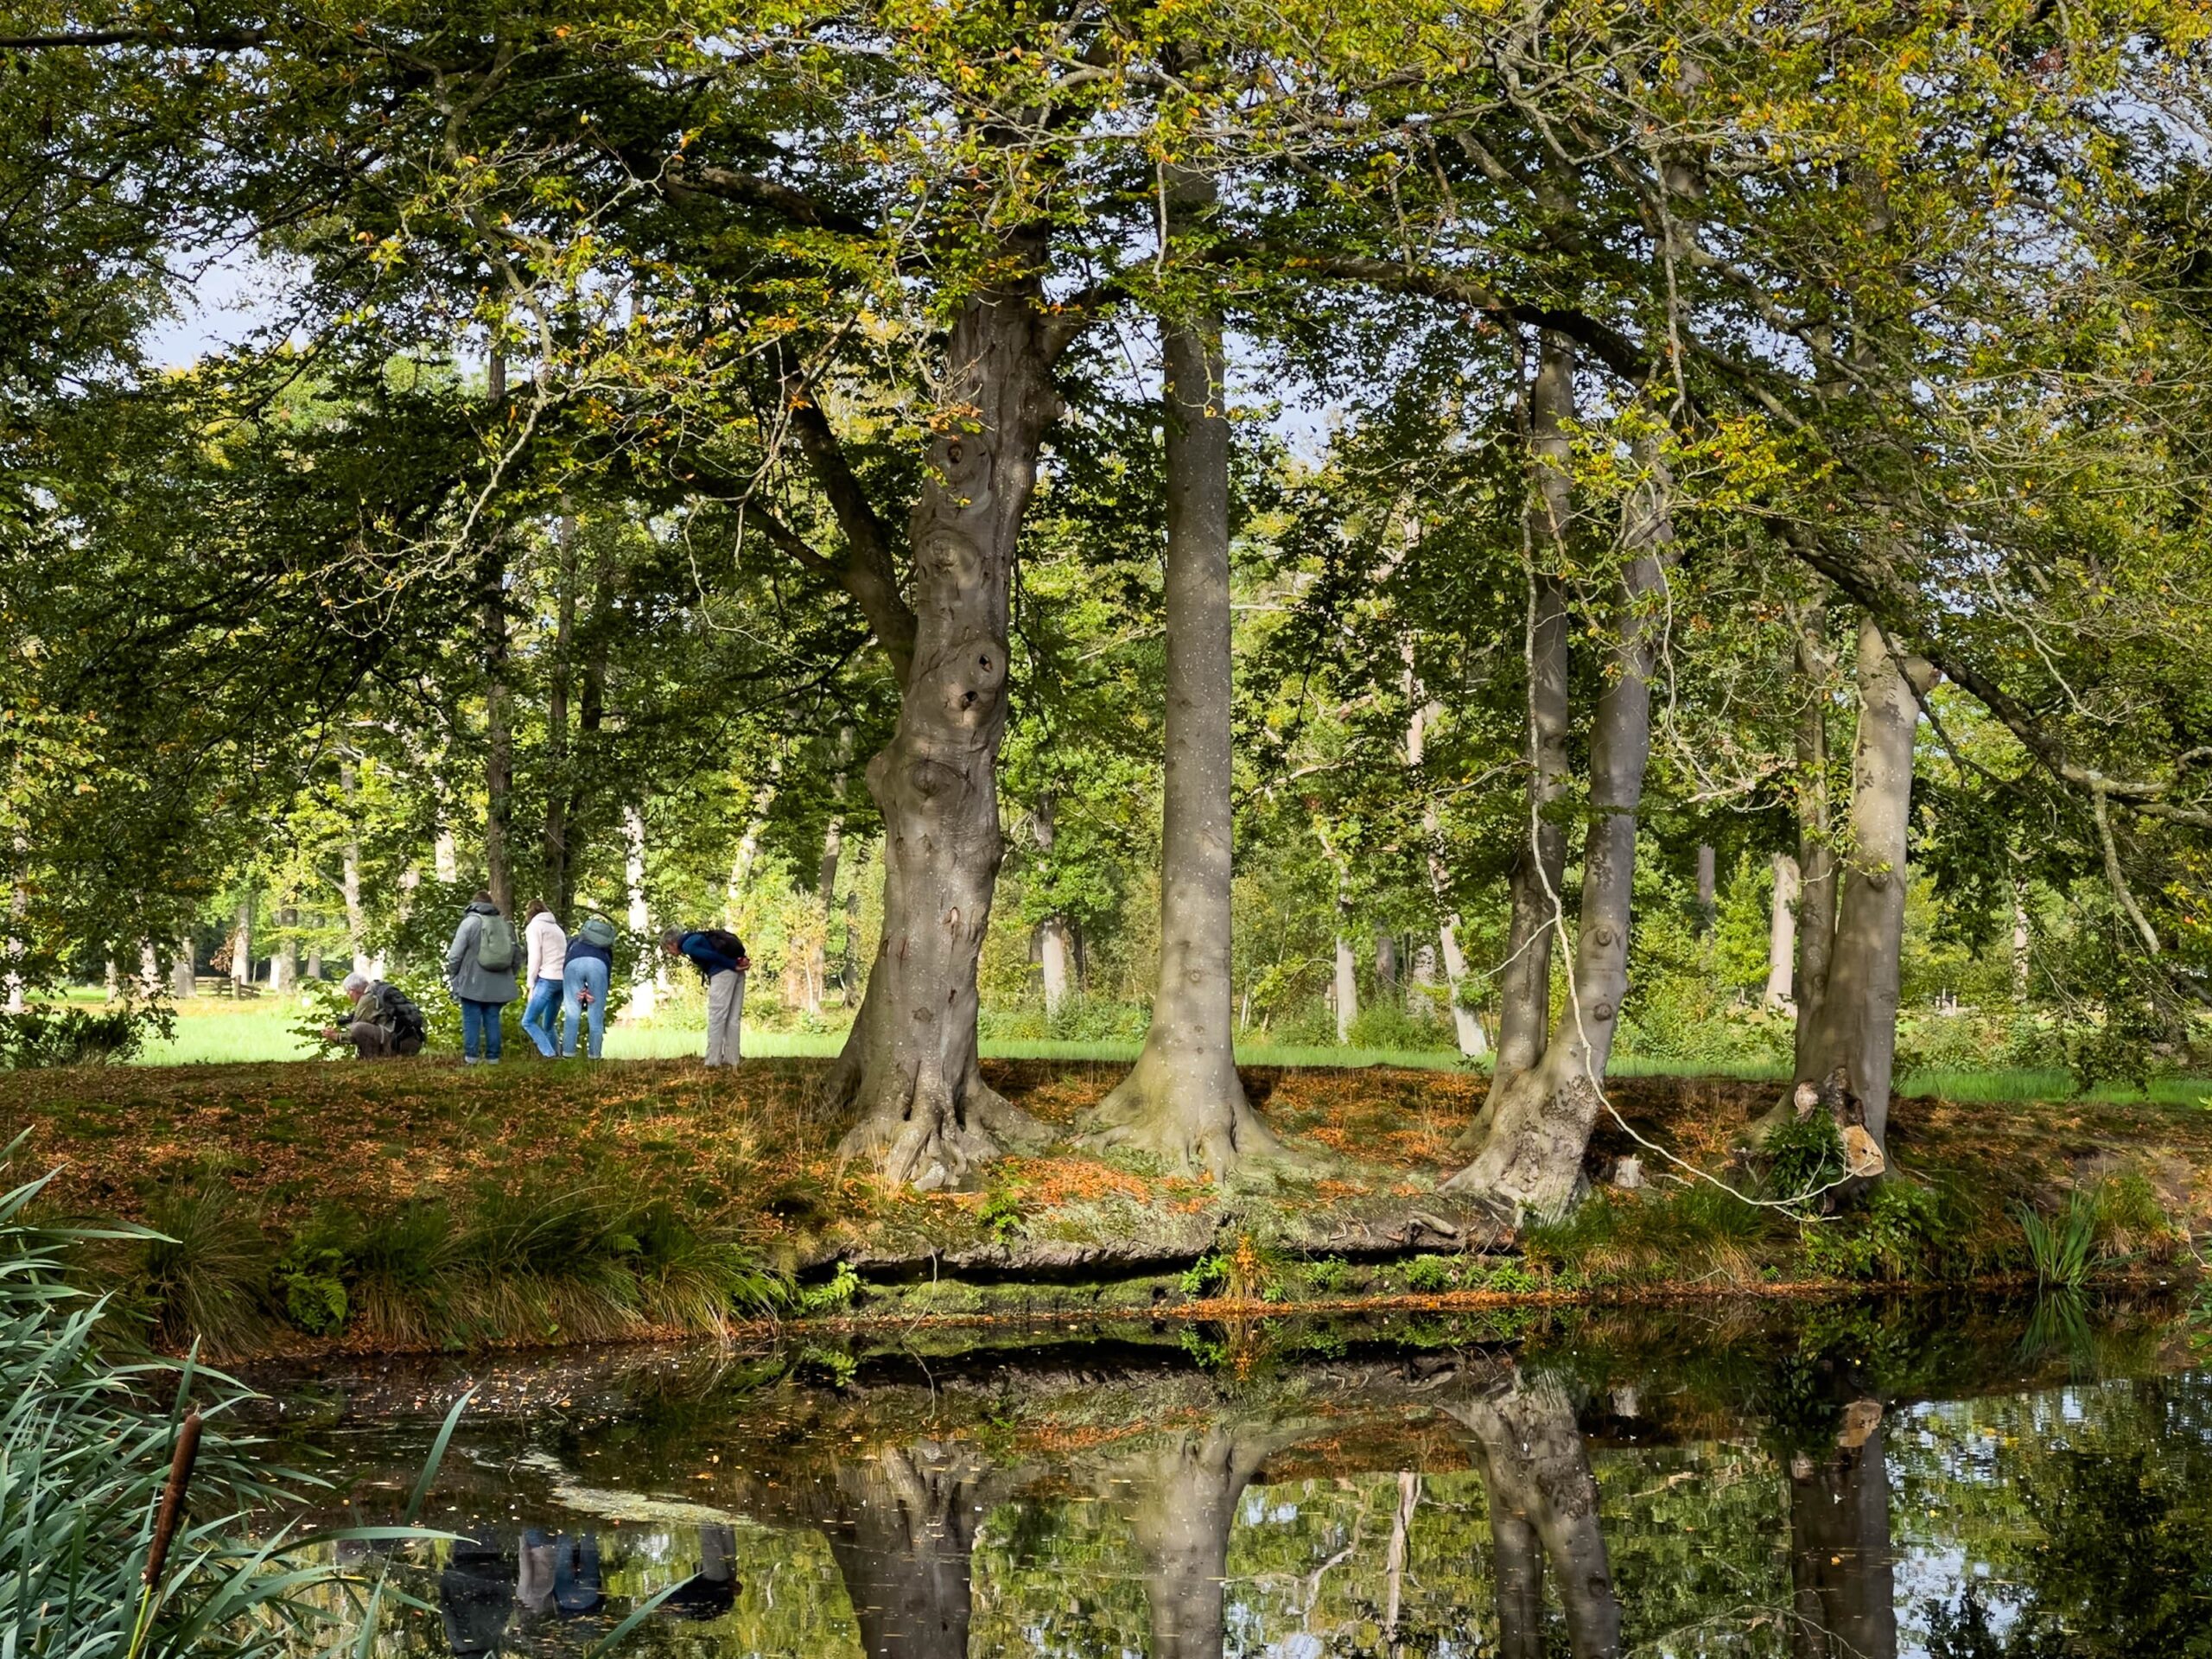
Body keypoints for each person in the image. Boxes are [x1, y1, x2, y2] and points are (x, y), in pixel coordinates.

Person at [445, 891, 519, 1065]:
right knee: (492, 1018)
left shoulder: (469, 923)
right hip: (500, 980)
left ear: (474, 904)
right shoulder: (505, 924)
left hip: (473, 980)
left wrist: (453, 974)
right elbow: (516, 954)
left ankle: (471, 1058)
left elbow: (455, 955)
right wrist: (512, 975)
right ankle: (493, 1058)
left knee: (472, 1019)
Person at [662, 925, 749, 1066]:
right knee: (733, 1018)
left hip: (722, 974)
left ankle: (712, 1061)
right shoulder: (698, 936)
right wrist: (738, 963)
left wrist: (732, 965)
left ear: (673, 943)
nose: (670, 952)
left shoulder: (688, 945)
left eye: (668, 948)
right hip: (737, 973)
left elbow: (710, 955)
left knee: (717, 1017)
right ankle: (732, 1059)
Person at [323, 971, 426, 1058]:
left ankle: (371, 1061)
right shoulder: (379, 990)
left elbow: (355, 1034)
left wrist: (336, 1036)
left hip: (398, 1045)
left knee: (358, 1028)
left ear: (353, 991)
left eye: (348, 992)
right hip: (412, 1042)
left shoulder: (367, 998)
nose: (348, 996)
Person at [562, 913, 617, 1059]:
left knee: (572, 1015)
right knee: (596, 1017)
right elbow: (607, 974)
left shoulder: (574, 941)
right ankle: (594, 1057)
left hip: (572, 965)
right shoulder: (607, 948)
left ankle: (568, 1056)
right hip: (598, 967)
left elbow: (567, 960)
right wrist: (595, 991)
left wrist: (579, 990)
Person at [519, 901, 568, 1058]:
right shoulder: (556, 928)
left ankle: (549, 1055)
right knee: (548, 1025)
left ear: (530, 914)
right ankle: (558, 1058)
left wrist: (530, 984)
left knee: (528, 1021)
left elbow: (535, 957)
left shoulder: (534, 927)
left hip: (547, 978)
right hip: (563, 980)